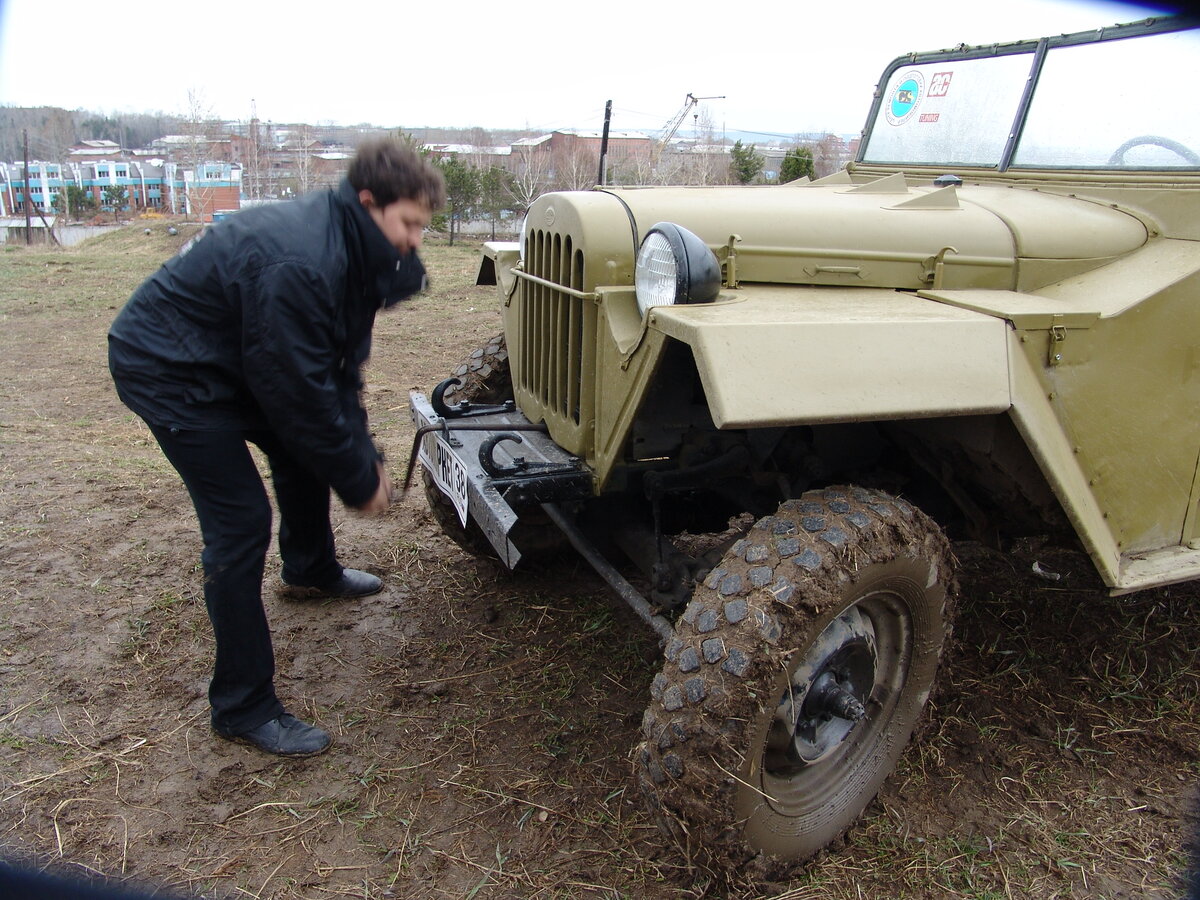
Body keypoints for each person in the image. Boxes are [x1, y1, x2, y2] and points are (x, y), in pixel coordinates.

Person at [108, 139, 445, 757]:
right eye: (409, 224)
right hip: (169, 369)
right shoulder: (304, 260)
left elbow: (338, 370)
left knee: (298, 453)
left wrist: (358, 452)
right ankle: (242, 706)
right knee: (240, 522)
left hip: (234, 356)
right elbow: (298, 390)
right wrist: (356, 475)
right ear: (369, 203)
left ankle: (310, 570)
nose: (415, 240)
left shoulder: (356, 254)